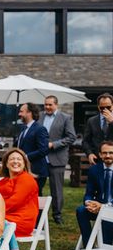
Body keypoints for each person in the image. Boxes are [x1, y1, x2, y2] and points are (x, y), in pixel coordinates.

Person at [39, 95, 77, 224]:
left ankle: (57, 216)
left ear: (56, 105)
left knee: (56, 190)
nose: (47, 107)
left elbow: (71, 137)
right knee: (37, 188)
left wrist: (54, 144)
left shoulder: (65, 118)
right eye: (45, 105)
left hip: (57, 158)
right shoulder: (40, 116)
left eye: (50, 105)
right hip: (41, 159)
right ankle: (38, 216)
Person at [76, 141, 113, 250]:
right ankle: (90, 249)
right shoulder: (94, 170)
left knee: (108, 212)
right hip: (97, 206)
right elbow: (89, 192)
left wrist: (104, 206)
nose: (108, 155)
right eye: (105, 153)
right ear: (100, 154)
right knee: (81, 211)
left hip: (110, 208)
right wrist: (89, 203)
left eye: (111, 153)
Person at [0, 148, 39, 238]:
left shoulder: (27, 179)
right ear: (6, 164)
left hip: (19, 221)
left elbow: (14, 202)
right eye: (11, 159)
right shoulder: (3, 181)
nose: (15, 161)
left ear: (24, 163)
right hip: (4, 217)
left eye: (19, 159)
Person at [17, 103, 50, 195]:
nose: (19, 114)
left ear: (29, 113)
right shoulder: (23, 129)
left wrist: (25, 157)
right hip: (24, 170)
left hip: (36, 171)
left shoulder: (40, 129)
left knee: (34, 197)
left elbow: (44, 150)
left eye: (21, 111)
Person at [83, 93, 113, 165]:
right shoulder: (92, 121)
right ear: (98, 107)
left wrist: (112, 122)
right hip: (97, 160)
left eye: (108, 107)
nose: (105, 110)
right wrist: (89, 153)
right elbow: (86, 141)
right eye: (102, 108)